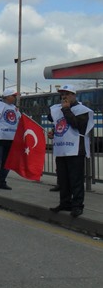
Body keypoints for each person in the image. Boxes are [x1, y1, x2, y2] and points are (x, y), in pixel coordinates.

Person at [47, 84, 93, 218]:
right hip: (62, 148)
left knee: (76, 179)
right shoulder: (59, 109)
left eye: (67, 94)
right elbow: (60, 123)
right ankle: (65, 203)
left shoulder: (82, 110)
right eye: (62, 94)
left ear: (74, 95)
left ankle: (77, 205)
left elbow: (76, 125)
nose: (64, 97)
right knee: (63, 179)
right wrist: (54, 132)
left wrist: (66, 110)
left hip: (75, 149)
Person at [0, 88, 21, 191]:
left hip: (10, 138)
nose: (15, 98)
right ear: (7, 97)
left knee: (7, 162)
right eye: (13, 96)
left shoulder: (15, 109)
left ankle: (2, 182)